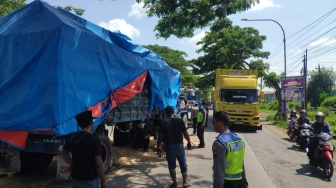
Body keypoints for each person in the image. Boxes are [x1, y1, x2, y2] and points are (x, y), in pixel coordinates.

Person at [61, 111, 106, 188]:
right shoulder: (94, 140)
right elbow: (98, 163)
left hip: (76, 178)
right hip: (90, 180)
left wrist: (72, 164)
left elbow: (63, 153)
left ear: (78, 124)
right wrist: (103, 180)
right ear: (91, 123)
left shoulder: (73, 138)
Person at [158, 106, 192, 188]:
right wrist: (189, 142)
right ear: (173, 112)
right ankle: (185, 182)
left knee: (172, 166)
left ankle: (175, 183)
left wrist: (158, 147)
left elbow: (160, 137)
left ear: (166, 113)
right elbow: (185, 133)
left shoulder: (163, 122)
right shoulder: (179, 120)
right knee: (183, 164)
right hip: (179, 146)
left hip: (169, 147)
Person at [212, 111, 248, 188]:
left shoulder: (219, 143)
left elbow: (219, 171)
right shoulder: (239, 140)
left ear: (219, 123)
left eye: (213, 122)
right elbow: (241, 163)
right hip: (240, 181)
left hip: (227, 183)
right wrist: (244, 182)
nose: (213, 124)